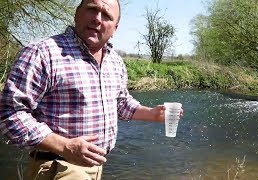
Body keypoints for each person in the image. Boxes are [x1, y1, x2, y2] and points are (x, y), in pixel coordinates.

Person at [0, 0, 183, 179]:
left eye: (106, 15)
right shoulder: (43, 53)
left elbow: (120, 103)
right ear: (77, 13)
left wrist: (152, 113)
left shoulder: (115, 61)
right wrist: (64, 146)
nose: (97, 18)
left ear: (115, 28)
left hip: (95, 167)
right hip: (58, 167)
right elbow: (9, 112)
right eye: (92, 9)